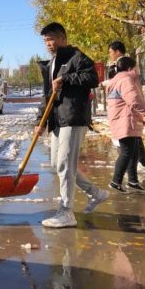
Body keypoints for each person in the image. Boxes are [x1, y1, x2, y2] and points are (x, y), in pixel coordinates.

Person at [35, 22, 109, 228]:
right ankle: (96, 193)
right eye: (46, 40)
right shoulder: (50, 65)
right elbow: (47, 96)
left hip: (74, 117)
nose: (48, 43)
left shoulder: (77, 57)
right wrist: (40, 121)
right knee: (58, 165)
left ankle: (66, 211)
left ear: (63, 39)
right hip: (58, 120)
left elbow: (93, 78)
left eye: (52, 38)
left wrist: (66, 78)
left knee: (65, 165)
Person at [107, 57, 145, 193]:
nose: (138, 69)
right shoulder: (126, 80)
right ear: (129, 68)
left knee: (133, 152)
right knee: (127, 152)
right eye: (136, 66)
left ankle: (133, 181)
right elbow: (134, 100)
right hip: (125, 121)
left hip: (127, 120)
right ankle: (116, 181)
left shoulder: (118, 80)